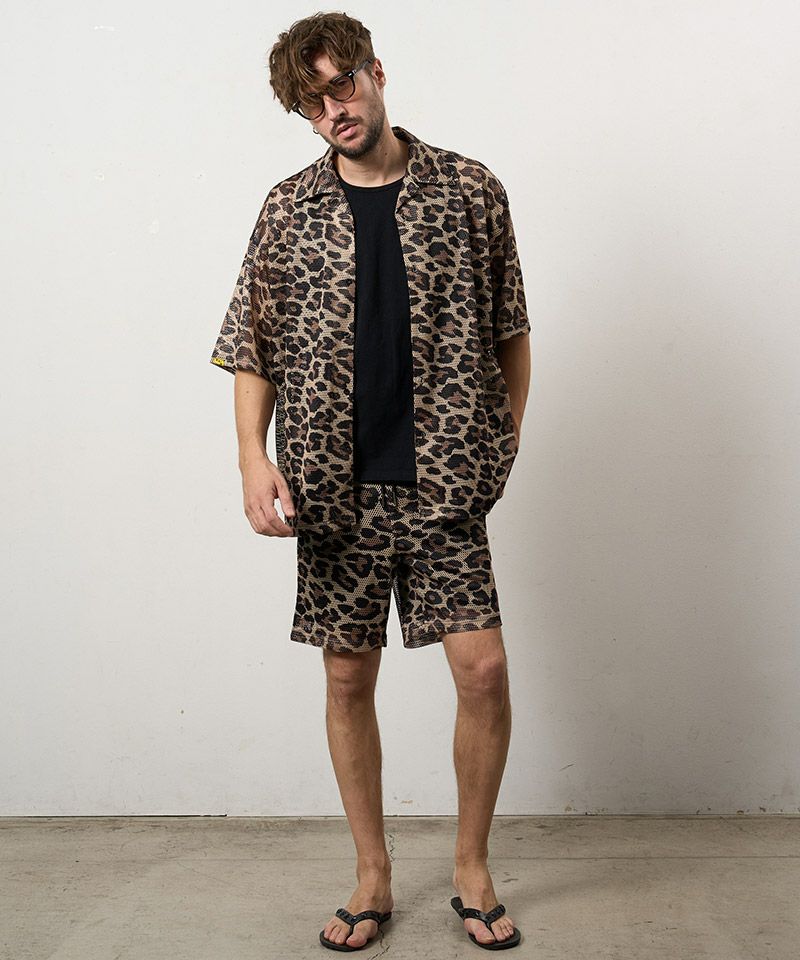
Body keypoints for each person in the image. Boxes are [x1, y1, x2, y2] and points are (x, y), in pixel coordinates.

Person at [210, 11, 531, 952]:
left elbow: (511, 328)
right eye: (312, 105)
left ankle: (471, 867)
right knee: (348, 676)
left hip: (445, 483)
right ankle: (372, 874)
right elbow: (252, 345)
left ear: (375, 72)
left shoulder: (470, 190)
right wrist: (252, 458)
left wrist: (502, 441)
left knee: (483, 671)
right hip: (331, 489)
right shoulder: (288, 209)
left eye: (340, 86)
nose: (332, 111)